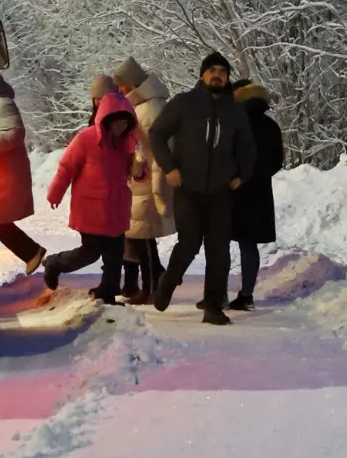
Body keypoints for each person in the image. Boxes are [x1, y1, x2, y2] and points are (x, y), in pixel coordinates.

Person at [149, 51, 255, 325]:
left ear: (228, 77)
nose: (217, 74)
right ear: (202, 75)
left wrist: (242, 174)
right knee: (189, 244)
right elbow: (157, 134)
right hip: (189, 188)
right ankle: (167, 283)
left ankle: (212, 306)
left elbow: (246, 145)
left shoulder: (235, 110)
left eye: (222, 71)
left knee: (219, 250)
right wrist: (169, 168)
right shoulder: (184, 103)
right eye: (212, 70)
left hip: (221, 191)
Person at [44, 89, 146, 301]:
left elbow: (133, 173)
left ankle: (107, 293)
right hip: (91, 209)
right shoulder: (86, 139)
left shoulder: (126, 144)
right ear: (106, 119)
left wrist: (140, 173)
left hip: (116, 208)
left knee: (115, 256)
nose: (121, 126)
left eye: (125, 122)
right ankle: (54, 263)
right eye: (117, 121)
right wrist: (55, 193)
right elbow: (66, 167)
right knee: (90, 253)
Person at [111, 57, 173, 301]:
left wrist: (138, 168)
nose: (120, 90)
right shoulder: (147, 104)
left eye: (122, 85)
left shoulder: (147, 108)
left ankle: (150, 288)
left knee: (142, 235)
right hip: (144, 178)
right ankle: (156, 278)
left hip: (146, 178)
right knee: (139, 234)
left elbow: (149, 146)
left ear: (132, 83)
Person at [228, 81, 284, 310]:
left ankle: (216, 294)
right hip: (259, 191)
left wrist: (236, 177)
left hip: (233, 190)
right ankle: (247, 293)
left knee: (220, 243)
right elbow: (276, 161)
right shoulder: (271, 126)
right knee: (248, 246)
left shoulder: (235, 124)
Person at [0, 66, 45, 274]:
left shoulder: (0, 104)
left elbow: (14, 133)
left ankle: (31, 252)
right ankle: (30, 252)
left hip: (5, 174)